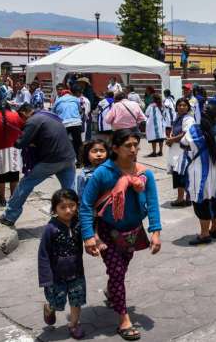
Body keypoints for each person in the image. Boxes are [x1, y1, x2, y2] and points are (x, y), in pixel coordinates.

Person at [80, 129, 161, 341]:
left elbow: (152, 203)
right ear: (115, 148)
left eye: (136, 145)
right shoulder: (102, 173)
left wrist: (155, 232)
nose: (133, 149)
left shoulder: (145, 174)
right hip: (108, 231)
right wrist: (88, 236)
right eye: (128, 145)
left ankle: (112, 290)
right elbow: (86, 205)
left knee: (120, 270)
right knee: (117, 272)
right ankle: (124, 319)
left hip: (133, 231)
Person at [0, 103, 77, 227]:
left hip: (51, 160)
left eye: (21, 117)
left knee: (25, 185)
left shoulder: (33, 121)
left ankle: (9, 216)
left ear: (24, 113)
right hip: (69, 157)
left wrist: (14, 138)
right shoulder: (50, 115)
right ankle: (75, 217)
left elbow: (20, 143)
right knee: (70, 190)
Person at [38, 189, 86, 340]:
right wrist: (46, 278)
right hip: (56, 276)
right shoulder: (50, 229)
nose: (68, 210)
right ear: (54, 209)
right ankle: (49, 308)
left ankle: (73, 324)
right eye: (63, 207)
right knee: (57, 302)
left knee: (76, 300)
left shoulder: (78, 224)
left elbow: (89, 235)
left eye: (72, 205)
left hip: (77, 273)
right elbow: (43, 255)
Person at [181, 103, 216, 245]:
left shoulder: (194, 130)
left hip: (199, 175)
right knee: (215, 200)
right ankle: (214, 229)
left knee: (201, 203)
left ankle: (204, 234)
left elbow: (183, 143)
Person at [166, 98, 195, 208]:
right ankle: (184, 197)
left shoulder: (188, 119)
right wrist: (170, 138)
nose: (181, 107)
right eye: (179, 105)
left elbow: (185, 134)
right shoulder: (177, 117)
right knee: (178, 174)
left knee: (183, 174)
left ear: (188, 107)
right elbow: (175, 131)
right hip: (176, 149)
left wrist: (171, 140)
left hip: (183, 150)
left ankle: (182, 198)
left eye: (184, 105)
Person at [54, 86, 84, 163]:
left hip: (64, 123)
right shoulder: (75, 99)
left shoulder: (58, 100)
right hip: (76, 122)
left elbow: (54, 112)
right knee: (78, 143)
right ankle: (80, 161)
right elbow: (80, 110)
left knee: (61, 142)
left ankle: (62, 160)